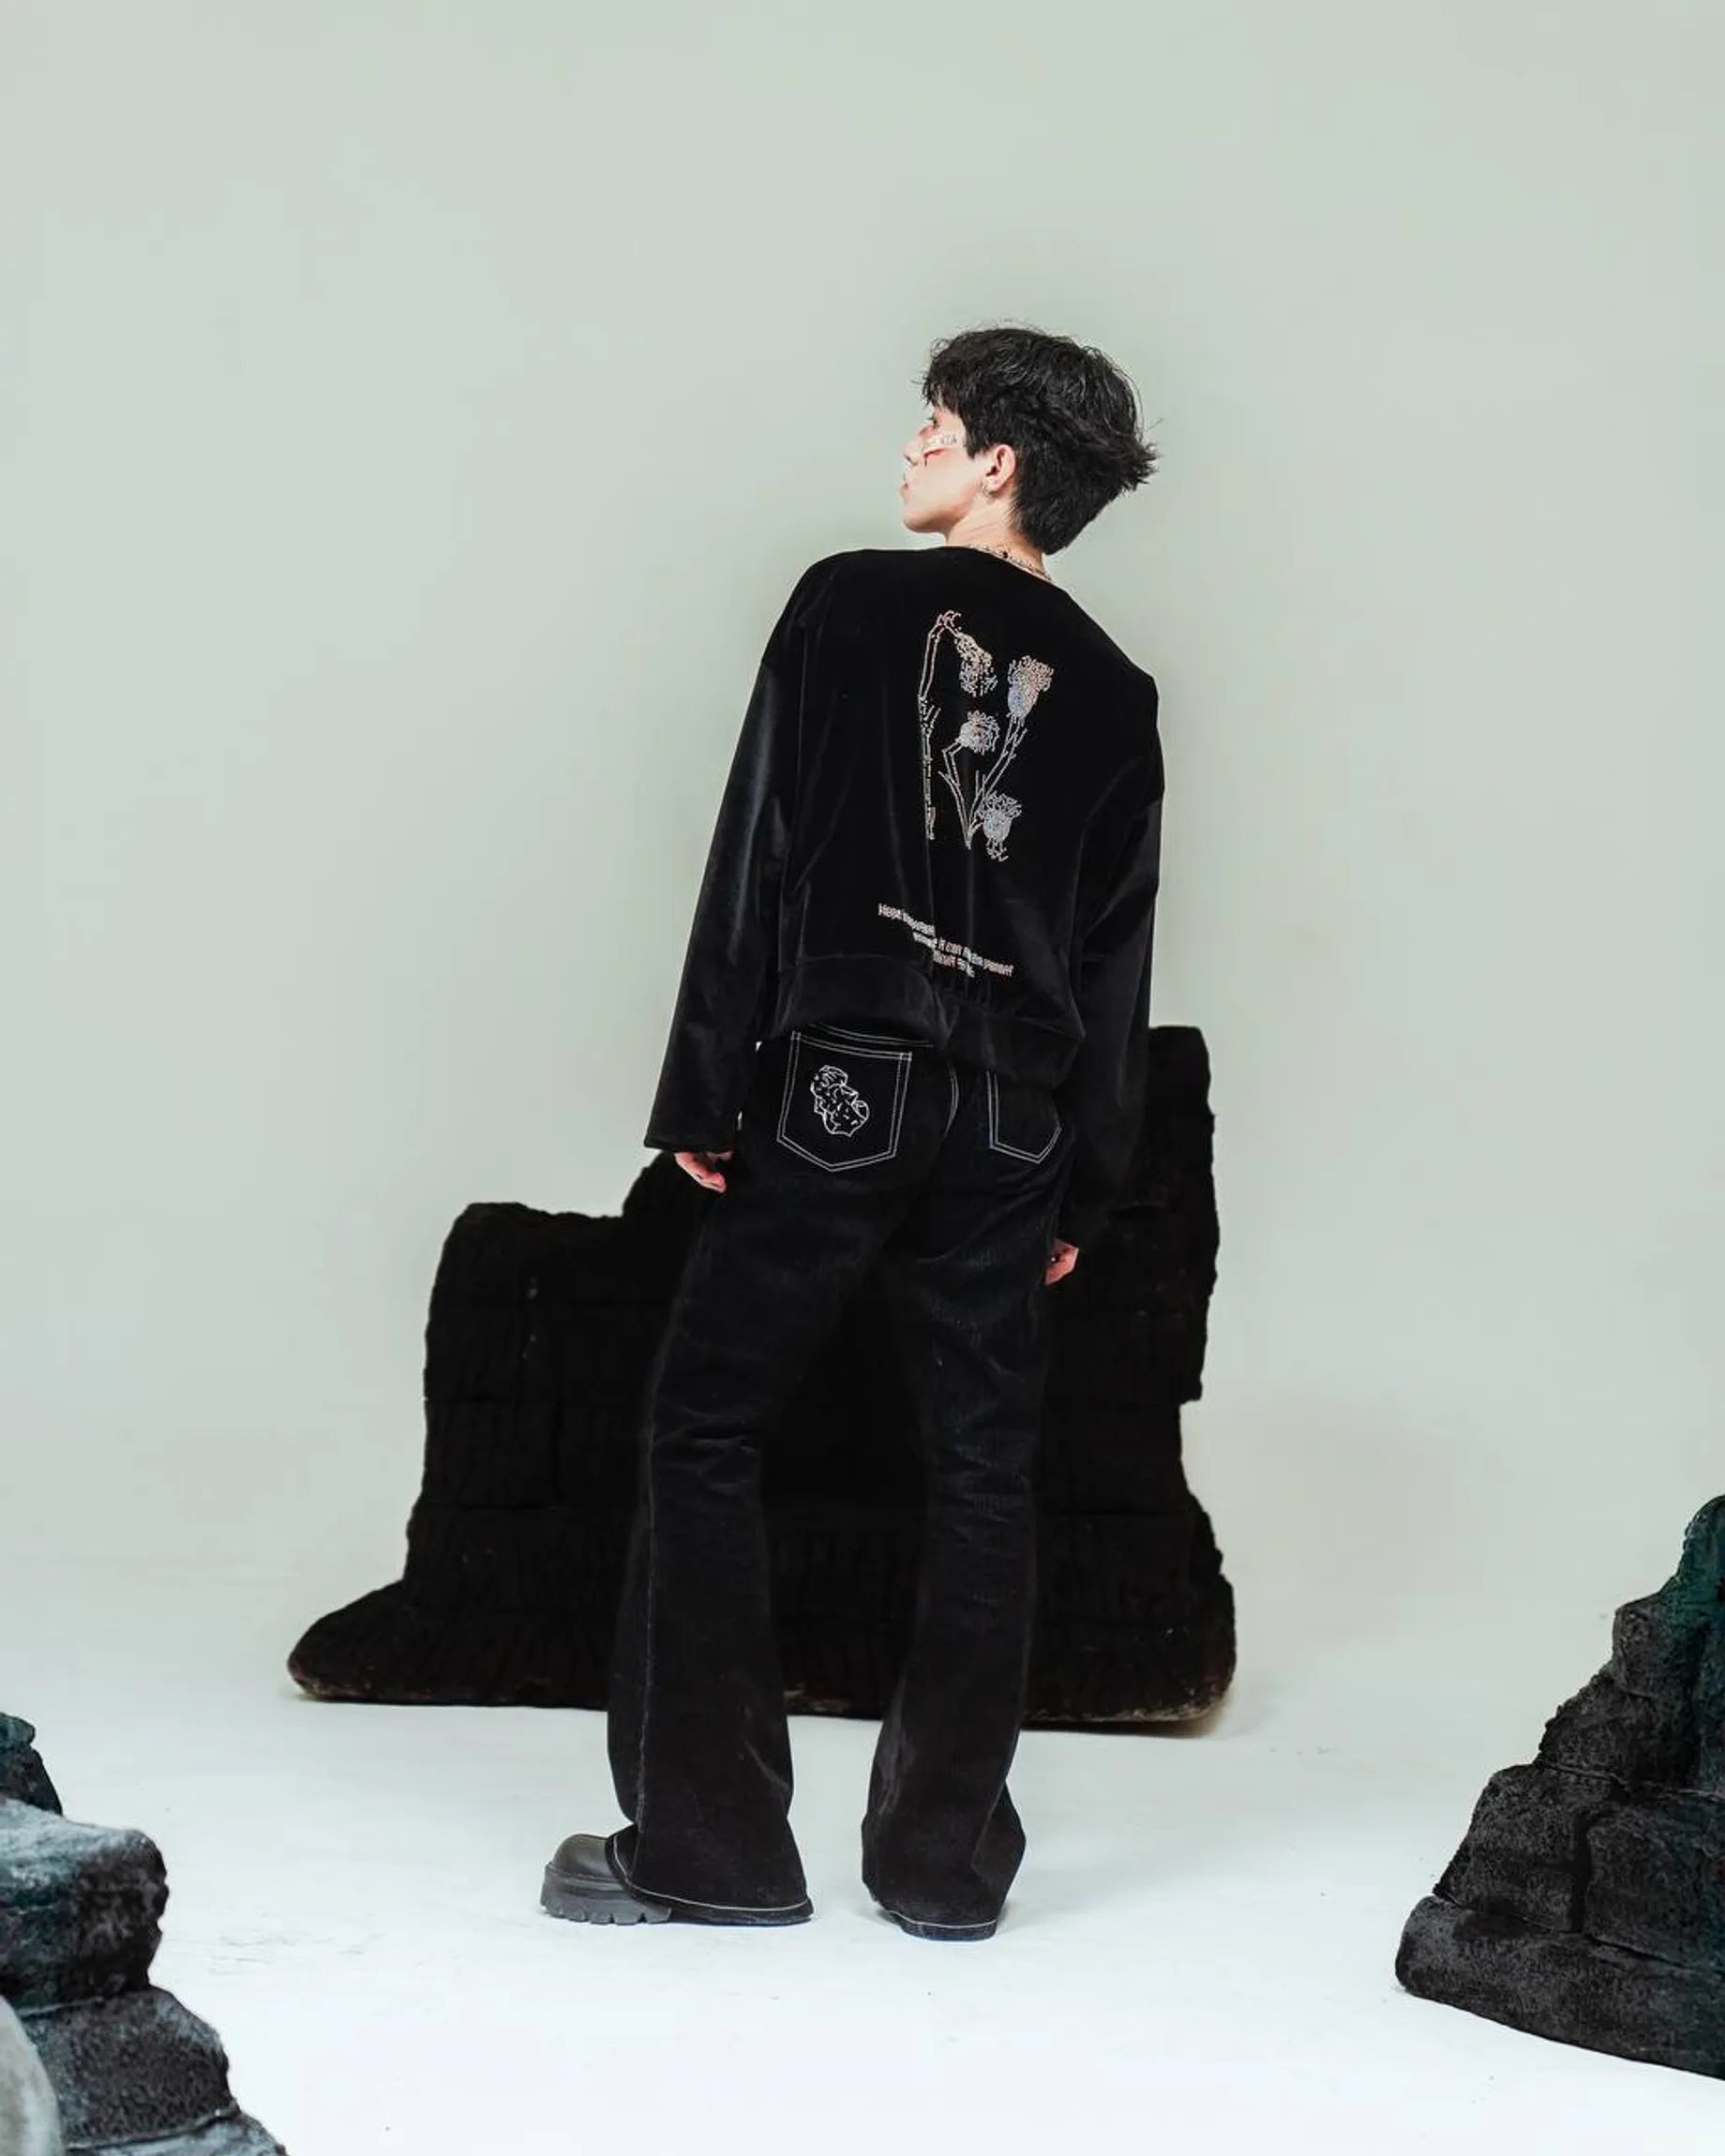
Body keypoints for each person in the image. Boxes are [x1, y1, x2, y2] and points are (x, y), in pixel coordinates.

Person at [541, 323, 1164, 1940]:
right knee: (984, 1475)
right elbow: (1114, 964)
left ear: (998, 462)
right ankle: (942, 1872)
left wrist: (705, 1086)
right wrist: (1085, 1188)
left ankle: (712, 1850)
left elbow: (761, 841)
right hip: (1015, 1120)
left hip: (847, 1077)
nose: (912, 448)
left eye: (934, 425)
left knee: (705, 1427)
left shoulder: (847, 601)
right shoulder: (1119, 695)